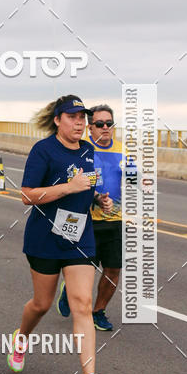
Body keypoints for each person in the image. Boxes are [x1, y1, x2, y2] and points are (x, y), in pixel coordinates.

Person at [9, 94, 114, 374]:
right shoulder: (43, 150)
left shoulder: (88, 150)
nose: (80, 123)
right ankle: (21, 338)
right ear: (57, 120)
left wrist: (98, 199)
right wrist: (69, 187)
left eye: (83, 118)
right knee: (41, 304)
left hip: (80, 237)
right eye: (73, 117)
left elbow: (87, 186)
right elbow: (27, 196)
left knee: (82, 302)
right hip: (45, 236)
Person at [57, 104, 123, 332]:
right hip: (84, 220)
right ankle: (69, 290)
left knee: (113, 269)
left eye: (109, 123)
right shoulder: (82, 151)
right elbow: (72, 180)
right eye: (100, 124)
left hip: (114, 220)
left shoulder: (124, 151)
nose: (105, 128)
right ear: (90, 128)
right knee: (86, 267)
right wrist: (95, 196)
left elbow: (135, 182)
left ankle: (98, 311)